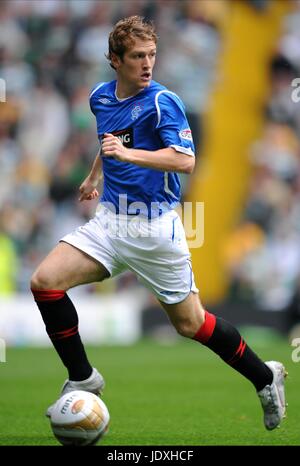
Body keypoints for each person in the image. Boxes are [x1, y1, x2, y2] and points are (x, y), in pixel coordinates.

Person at [30, 15, 287, 431]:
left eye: (151, 55)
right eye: (136, 56)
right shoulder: (100, 96)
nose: (147, 64)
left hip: (154, 230)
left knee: (192, 324)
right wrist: (95, 175)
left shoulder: (162, 101)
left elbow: (185, 160)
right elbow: (110, 139)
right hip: (111, 221)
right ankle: (83, 377)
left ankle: (265, 377)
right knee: (45, 282)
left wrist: (127, 156)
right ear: (115, 59)